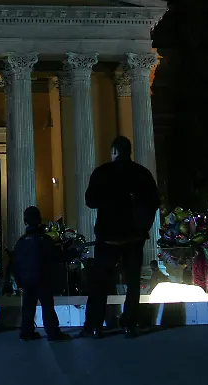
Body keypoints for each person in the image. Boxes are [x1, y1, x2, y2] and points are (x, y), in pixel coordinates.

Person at [82, 136, 160, 338]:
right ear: (130, 151)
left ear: (114, 151)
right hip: (134, 237)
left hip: (108, 237)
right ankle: (129, 323)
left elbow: (90, 201)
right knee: (133, 283)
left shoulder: (103, 172)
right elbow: (154, 202)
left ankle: (94, 324)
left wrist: (108, 201)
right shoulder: (142, 173)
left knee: (100, 282)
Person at [13, 206, 71, 342]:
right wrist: (72, 252)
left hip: (26, 280)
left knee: (28, 306)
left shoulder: (21, 242)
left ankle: (27, 332)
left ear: (25, 221)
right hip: (42, 278)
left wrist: (19, 280)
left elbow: (15, 264)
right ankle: (53, 333)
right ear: (39, 220)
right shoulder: (44, 239)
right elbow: (57, 256)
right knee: (47, 306)